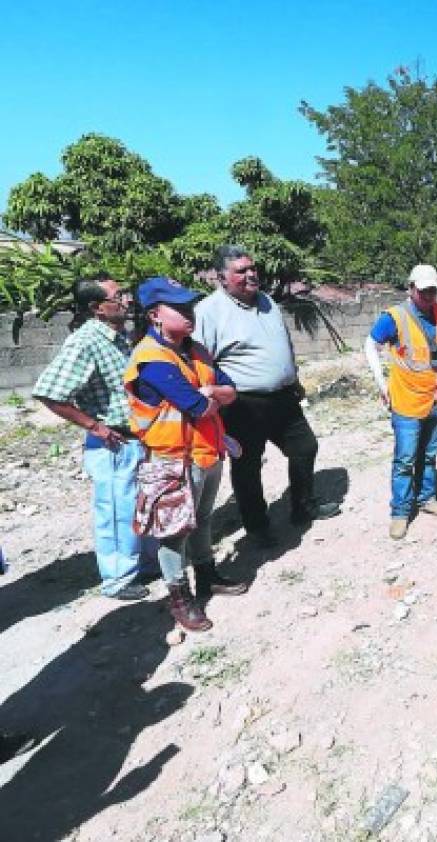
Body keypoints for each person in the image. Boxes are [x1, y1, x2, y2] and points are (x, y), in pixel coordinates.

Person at [193, 245, 339, 547]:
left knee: (305, 447)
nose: (250, 274)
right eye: (241, 271)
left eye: (252, 268)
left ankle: (302, 506)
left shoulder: (267, 301)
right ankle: (257, 526)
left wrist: (293, 377)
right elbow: (200, 361)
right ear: (221, 277)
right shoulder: (208, 311)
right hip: (243, 404)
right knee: (248, 466)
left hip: (283, 397)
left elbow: (282, 343)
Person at [124, 276, 248, 632]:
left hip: (206, 452)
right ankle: (179, 597)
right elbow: (197, 405)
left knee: (203, 518)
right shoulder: (152, 359)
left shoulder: (196, 349)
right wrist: (213, 394)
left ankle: (208, 575)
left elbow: (231, 390)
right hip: (172, 459)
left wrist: (216, 393)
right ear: (154, 316)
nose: (188, 312)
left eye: (188, 305)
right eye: (178, 307)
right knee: (174, 531)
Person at [32, 277, 153, 600]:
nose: (126, 301)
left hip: (135, 439)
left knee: (139, 504)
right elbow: (49, 392)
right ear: (97, 308)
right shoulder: (86, 342)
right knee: (116, 511)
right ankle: (118, 580)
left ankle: (142, 563)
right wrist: (94, 426)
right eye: (118, 297)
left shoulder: (120, 338)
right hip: (112, 443)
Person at [363, 264, 437, 540]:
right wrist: (382, 384)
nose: (429, 296)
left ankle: (426, 499)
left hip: (436, 399)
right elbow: (371, 345)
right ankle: (400, 512)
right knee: (405, 460)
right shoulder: (394, 317)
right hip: (406, 401)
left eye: (433, 290)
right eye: (423, 291)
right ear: (411, 288)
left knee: (429, 455)